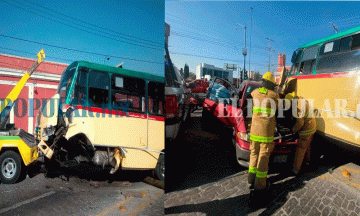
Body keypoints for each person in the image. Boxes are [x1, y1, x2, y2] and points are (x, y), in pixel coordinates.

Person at [248, 72, 279, 206]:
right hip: (266, 132)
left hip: (254, 130)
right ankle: (260, 185)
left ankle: (251, 179)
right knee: (263, 156)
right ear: (272, 84)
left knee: (254, 154)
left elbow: (253, 96)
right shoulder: (274, 95)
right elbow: (276, 108)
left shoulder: (255, 92)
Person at [285, 92, 316, 175]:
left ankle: (295, 170)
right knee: (307, 145)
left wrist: (292, 130)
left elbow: (300, 123)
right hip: (312, 126)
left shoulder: (298, 106)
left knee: (301, 149)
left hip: (307, 129)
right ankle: (307, 163)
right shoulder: (301, 100)